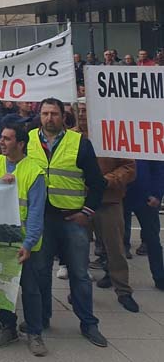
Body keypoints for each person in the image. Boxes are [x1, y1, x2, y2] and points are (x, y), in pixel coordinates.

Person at [25, 98, 108, 347]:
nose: (49, 118)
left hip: (72, 218)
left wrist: (87, 212)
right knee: (40, 272)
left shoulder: (79, 143)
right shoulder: (28, 140)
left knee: (79, 274)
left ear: (63, 116)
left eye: (54, 114)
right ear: (39, 115)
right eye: (45, 113)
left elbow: (97, 183)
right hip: (40, 219)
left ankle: (88, 323)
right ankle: (41, 318)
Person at [0, 123, 47, 357]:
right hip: (1, 242)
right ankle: (8, 327)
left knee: (30, 290)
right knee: (3, 289)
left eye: (8, 139)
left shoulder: (34, 171)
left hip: (24, 244)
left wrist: (28, 244)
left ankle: (35, 333)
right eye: (1, 138)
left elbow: (37, 213)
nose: (2, 142)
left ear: (20, 144)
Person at [86, 109, 138, 312]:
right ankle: (79, 290)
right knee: (79, 251)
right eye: (79, 110)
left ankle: (123, 291)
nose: (82, 114)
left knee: (115, 250)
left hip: (109, 200)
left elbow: (129, 168)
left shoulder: (114, 137)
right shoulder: (72, 137)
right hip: (81, 201)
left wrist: (107, 180)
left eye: (86, 110)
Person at [124, 157, 164, 290]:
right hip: (121, 194)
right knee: (117, 240)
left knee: (152, 239)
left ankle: (159, 277)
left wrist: (157, 194)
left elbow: (159, 168)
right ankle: (113, 275)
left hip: (146, 198)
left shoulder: (147, 141)